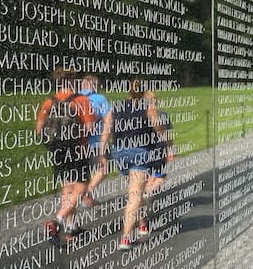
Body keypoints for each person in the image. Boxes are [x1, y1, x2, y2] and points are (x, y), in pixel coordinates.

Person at [100, 81, 172, 250]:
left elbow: (107, 128)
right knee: (135, 196)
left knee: (135, 192)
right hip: (139, 152)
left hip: (119, 152)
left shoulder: (117, 106)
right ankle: (126, 238)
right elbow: (160, 130)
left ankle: (143, 225)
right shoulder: (148, 107)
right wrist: (168, 146)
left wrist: (102, 152)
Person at [35, 68, 96, 245]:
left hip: (58, 151)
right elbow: (90, 128)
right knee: (82, 188)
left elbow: (39, 130)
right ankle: (58, 220)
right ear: (72, 80)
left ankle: (71, 229)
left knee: (68, 189)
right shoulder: (81, 100)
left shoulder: (49, 102)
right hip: (78, 150)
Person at [79, 75, 111, 207]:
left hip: (77, 143)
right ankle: (86, 194)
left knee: (82, 173)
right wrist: (103, 146)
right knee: (103, 169)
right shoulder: (100, 99)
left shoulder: (75, 98)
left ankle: (81, 198)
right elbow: (108, 122)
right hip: (95, 142)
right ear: (94, 86)